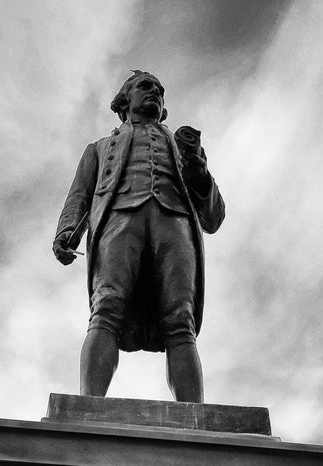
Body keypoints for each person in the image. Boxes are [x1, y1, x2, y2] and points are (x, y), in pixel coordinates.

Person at [53, 71, 225, 402]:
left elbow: (213, 217)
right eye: (146, 87)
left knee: (181, 319)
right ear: (123, 100)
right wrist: (67, 231)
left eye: (161, 91)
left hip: (174, 226)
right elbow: (80, 195)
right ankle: (90, 406)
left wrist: (199, 171)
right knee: (106, 307)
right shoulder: (100, 148)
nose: (156, 93)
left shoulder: (181, 150)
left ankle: (194, 414)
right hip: (118, 223)